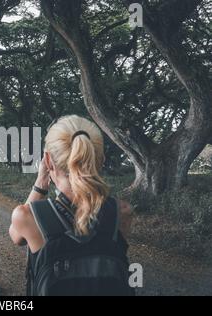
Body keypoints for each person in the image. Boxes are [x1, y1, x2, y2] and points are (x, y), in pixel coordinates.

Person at [9, 115, 134, 296]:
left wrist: (41, 183)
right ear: (101, 159)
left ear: (48, 161)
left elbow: (16, 237)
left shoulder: (27, 216)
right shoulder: (122, 212)